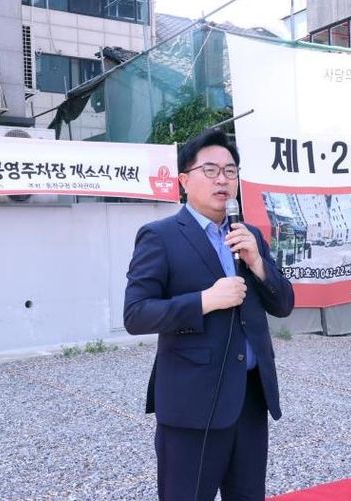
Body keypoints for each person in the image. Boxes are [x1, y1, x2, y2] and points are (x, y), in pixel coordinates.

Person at [124, 129, 294, 501]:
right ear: (184, 180)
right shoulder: (160, 236)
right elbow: (136, 314)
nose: (223, 180)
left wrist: (258, 264)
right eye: (211, 170)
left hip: (250, 399)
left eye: (230, 171)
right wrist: (204, 301)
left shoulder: (248, 235)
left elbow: (283, 304)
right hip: (192, 405)